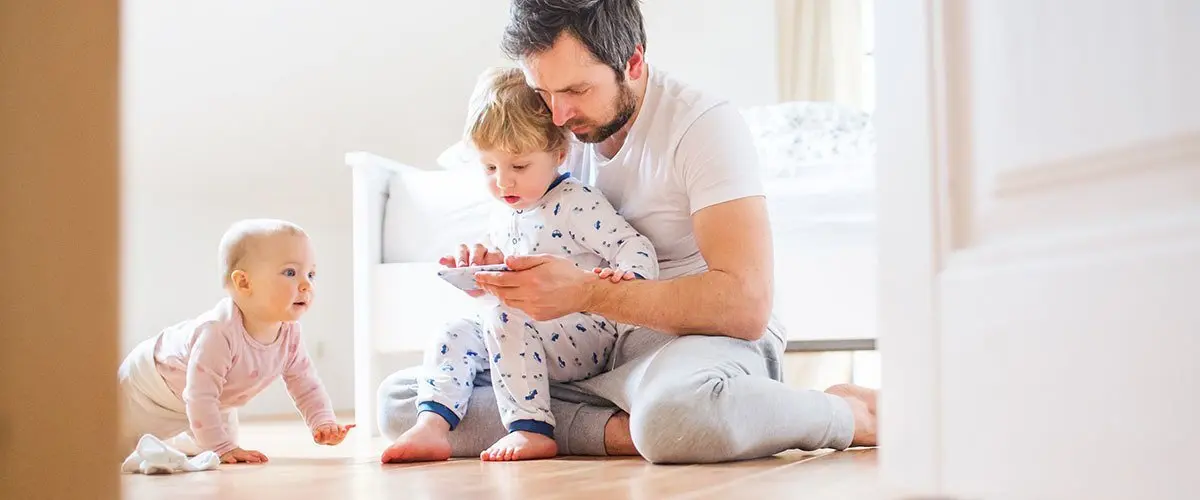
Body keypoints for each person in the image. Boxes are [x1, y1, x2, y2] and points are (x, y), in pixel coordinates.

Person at [379, 0, 878, 464]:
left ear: (633, 62)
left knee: (675, 411)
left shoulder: (702, 125)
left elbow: (745, 308)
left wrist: (587, 293)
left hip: (693, 342)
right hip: (588, 351)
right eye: (543, 92)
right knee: (404, 401)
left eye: (576, 91)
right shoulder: (555, 132)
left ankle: (845, 414)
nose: (557, 116)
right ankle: (628, 428)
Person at [381, 67, 658, 463]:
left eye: (519, 167)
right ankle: (432, 426)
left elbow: (634, 245)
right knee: (454, 331)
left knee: (504, 318)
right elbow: (508, 275)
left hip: (585, 330)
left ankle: (531, 428)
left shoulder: (575, 203)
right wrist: (484, 268)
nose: (503, 183)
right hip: (525, 330)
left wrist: (627, 277)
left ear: (559, 154)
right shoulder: (505, 212)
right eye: (490, 168)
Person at [118, 219, 354, 464]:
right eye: (290, 273)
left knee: (215, 448)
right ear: (244, 282)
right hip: (148, 389)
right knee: (112, 448)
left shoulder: (290, 334)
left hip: (212, 400)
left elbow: (305, 383)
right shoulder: (218, 333)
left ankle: (179, 443)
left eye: (311, 274)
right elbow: (200, 395)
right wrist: (221, 447)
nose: (306, 284)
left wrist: (323, 421)